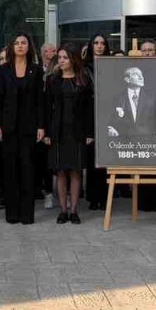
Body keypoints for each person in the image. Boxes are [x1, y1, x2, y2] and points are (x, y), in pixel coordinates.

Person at [0, 32, 45, 225]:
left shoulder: (36, 70)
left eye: (23, 43)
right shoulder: (3, 70)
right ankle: (12, 213)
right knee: (10, 170)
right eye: (16, 43)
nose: (20, 46)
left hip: (29, 127)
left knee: (27, 170)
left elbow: (40, 100)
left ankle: (27, 214)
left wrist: (41, 125)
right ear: (11, 47)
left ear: (29, 46)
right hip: (8, 126)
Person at [44, 45, 93, 225]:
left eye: (65, 57)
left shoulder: (83, 80)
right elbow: (47, 107)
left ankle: (74, 211)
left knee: (76, 171)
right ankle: (63, 210)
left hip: (77, 132)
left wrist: (90, 132)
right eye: (60, 57)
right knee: (60, 171)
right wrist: (47, 132)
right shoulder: (52, 80)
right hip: (58, 131)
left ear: (73, 60)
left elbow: (89, 109)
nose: (61, 60)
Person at [83, 33, 112, 211]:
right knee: (92, 157)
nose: (99, 46)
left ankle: (105, 197)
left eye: (102, 43)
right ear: (91, 45)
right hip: (89, 114)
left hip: (108, 114)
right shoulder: (85, 67)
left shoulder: (112, 65)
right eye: (96, 43)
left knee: (106, 157)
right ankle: (93, 197)